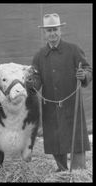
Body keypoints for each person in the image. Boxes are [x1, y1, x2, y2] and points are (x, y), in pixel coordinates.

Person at [26, 13, 92, 172]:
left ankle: (78, 172)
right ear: (44, 33)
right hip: (51, 106)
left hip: (72, 105)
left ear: (60, 31)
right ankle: (62, 170)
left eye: (55, 29)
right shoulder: (39, 56)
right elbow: (36, 80)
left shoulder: (73, 50)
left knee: (76, 140)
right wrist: (31, 83)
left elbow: (88, 69)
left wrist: (85, 75)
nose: (52, 34)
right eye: (49, 31)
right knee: (56, 141)